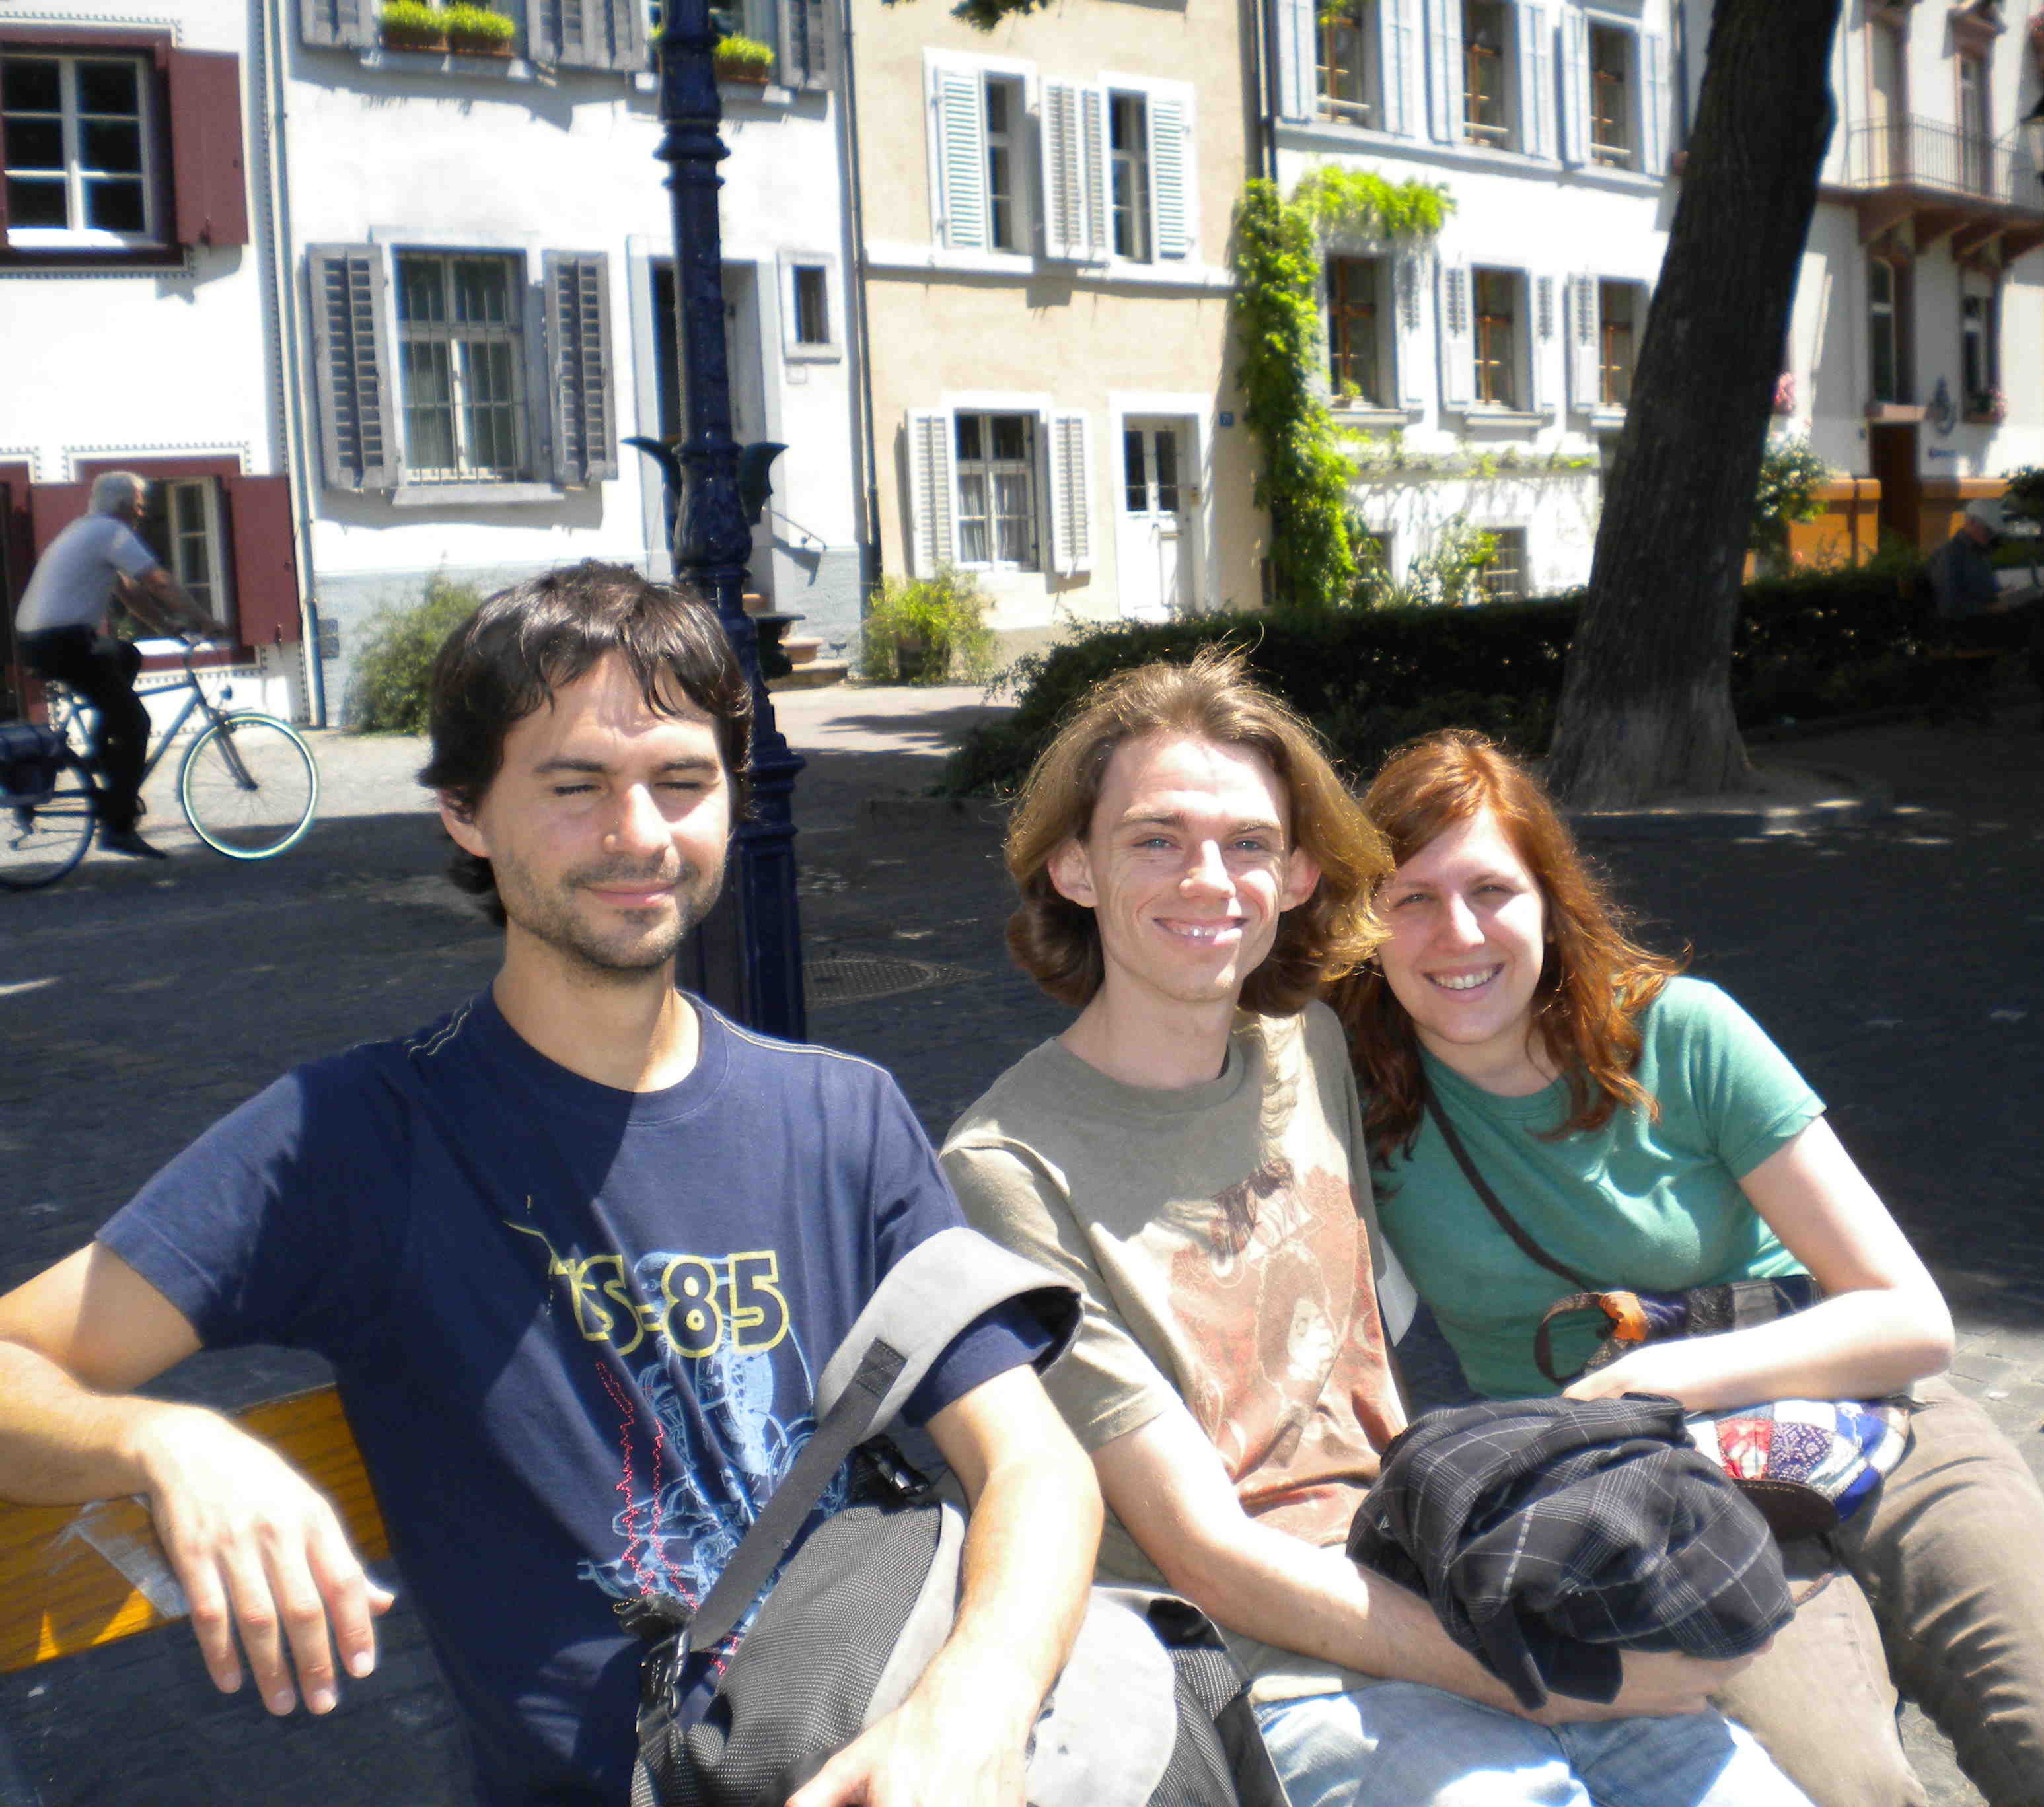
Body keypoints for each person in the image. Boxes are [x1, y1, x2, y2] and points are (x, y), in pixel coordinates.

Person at [0, 563, 1102, 1807]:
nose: (638, 833)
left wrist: (973, 1708)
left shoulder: (840, 1118)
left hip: (875, 1742)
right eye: (574, 787)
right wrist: (163, 1440)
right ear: (465, 812)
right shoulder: (354, 1137)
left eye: (681, 781)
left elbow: (1034, 1464)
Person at [940, 651, 1809, 1807]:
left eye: (1250, 843)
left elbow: (1495, 1033)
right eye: (1155, 839)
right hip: (1274, 1662)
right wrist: (1547, 1682)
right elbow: (1203, 1551)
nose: (1209, 879)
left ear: (1299, 874)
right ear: (1073, 866)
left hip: (1444, 1569)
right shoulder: (1006, 1169)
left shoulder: (1311, 1049)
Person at [1331, 728, 2044, 1807]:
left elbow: (1912, 1318)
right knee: (1837, 1790)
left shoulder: (1682, 1035)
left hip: (1867, 1421)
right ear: (1367, 921)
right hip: (1644, 1500)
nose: (1457, 933)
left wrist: (1664, 1380)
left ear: (1548, 901)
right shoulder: (1353, 1095)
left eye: (1491, 890)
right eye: (1412, 898)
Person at [10, 471, 218, 857]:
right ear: (123, 505)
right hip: (65, 643)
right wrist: (205, 619)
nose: (142, 513)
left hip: (45, 642)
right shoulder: (111, 532)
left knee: (126, 656)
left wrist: (166, 627)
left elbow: (130, 591)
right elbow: (158, 582)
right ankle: (118, 827)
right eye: (139, 505)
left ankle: (102, 754)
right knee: (136, 723)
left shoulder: (84, 530)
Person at [1925, 499, 2044, 732]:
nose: (1990, 536)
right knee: (2041, 622)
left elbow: (1984, 596)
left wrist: (2005, 598)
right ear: (1971, 523)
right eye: (1987, 530)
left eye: (1992, 531)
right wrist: (1992, 608)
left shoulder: (1978, 554)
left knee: (2042, 619)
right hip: (1965, 630)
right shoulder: (1950, 555)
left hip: (1986, 625)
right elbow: (1950, 608)